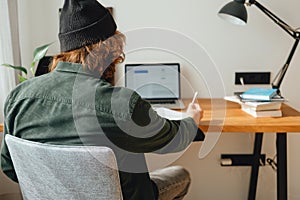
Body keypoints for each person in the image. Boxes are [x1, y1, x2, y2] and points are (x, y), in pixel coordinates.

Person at [0, 0, 205, 199]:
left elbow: (10, 167)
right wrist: (192, 119)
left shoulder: (18, 98)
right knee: (181, 177)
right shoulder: (122, 104)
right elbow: (172, 140)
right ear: (111, 48)